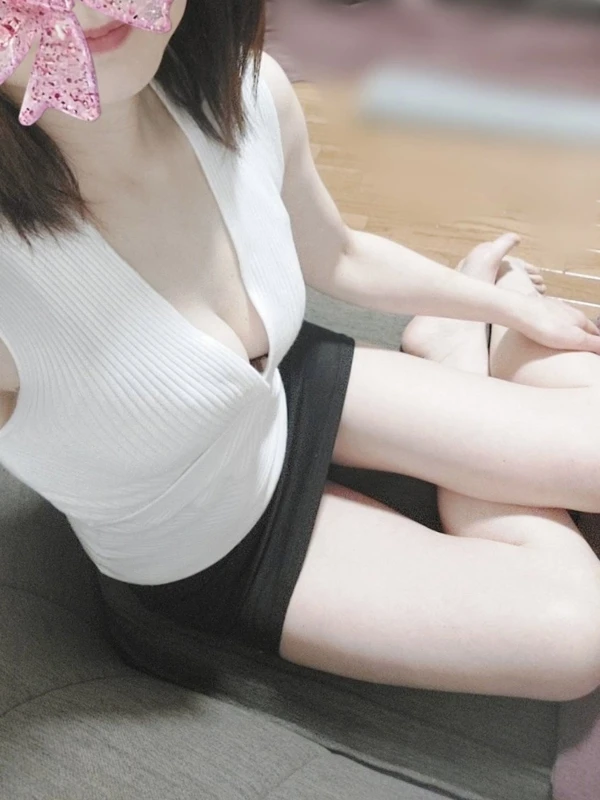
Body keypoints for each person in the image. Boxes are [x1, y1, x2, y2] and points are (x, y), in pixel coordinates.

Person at [1, 0, 600, 705]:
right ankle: (454, 359)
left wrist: (502, 307)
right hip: (216, 541)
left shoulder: (245, 92)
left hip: (287, 390)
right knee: (575, 634)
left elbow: (340, 254)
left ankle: (448, 344)